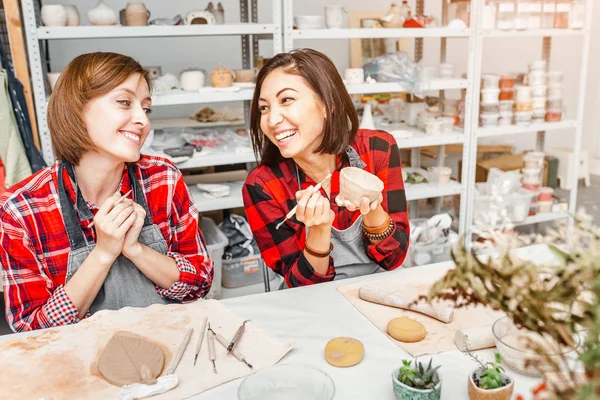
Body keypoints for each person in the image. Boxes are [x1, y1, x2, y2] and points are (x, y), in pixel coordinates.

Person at [0, 52, 213, 332]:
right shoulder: (22, 209)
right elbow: (32, 330)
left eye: (146, 108)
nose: (142, 120)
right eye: (125, 103)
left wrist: (136, 250)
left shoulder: (163, 178)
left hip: (168, 348)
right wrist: (103, 253)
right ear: (76, 110)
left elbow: (199, 284)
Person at [242, 49, 410, 288]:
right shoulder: (263, 186)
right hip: (313, 300)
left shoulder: (377, 149)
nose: (272, 120)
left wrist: (372, 209)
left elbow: (394, 259)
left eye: (286, 100)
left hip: (380, 288)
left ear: (326, 105)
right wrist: (318, 231)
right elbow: (299, 287)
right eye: (264, 108)